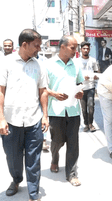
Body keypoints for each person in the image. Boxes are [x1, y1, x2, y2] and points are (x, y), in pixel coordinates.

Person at [0, 29, 49, 201]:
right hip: (11, 121)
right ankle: (16, 180)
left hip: (33, 120)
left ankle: (33, 193)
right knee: (13, 158)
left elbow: (43, 92)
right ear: (24, 44)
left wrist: (45, 116)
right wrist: (0, 118)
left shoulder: (39, 65)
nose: (39, 49)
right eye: (36, 45)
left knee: (34, 159)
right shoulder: (5, 63)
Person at [45, 35, 84, 186]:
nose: (76, 51)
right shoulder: (48, 64)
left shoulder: (76, 65)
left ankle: (72, 174)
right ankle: (54, 158)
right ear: (62, 47)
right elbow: (42, 87)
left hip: (74, 110)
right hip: (56, 110)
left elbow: (80, 83)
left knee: (73, 143)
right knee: (57, 141)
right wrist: (53, 94)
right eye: (73, 48)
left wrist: (81, 93)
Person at [74, 41, 99, 132]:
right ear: (81, 49)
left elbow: (96, 72)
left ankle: (91, 124)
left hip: (91, 87)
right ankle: (86, 124)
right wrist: (82, 77)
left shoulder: (93, 60)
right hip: (81, 88)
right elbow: (74, 74)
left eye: (87, 48)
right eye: (84, 48)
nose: (85, 50)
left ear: (89, 49)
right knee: (84, 108)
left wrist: (96, 78)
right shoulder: (76, 61)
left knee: (91, 106)